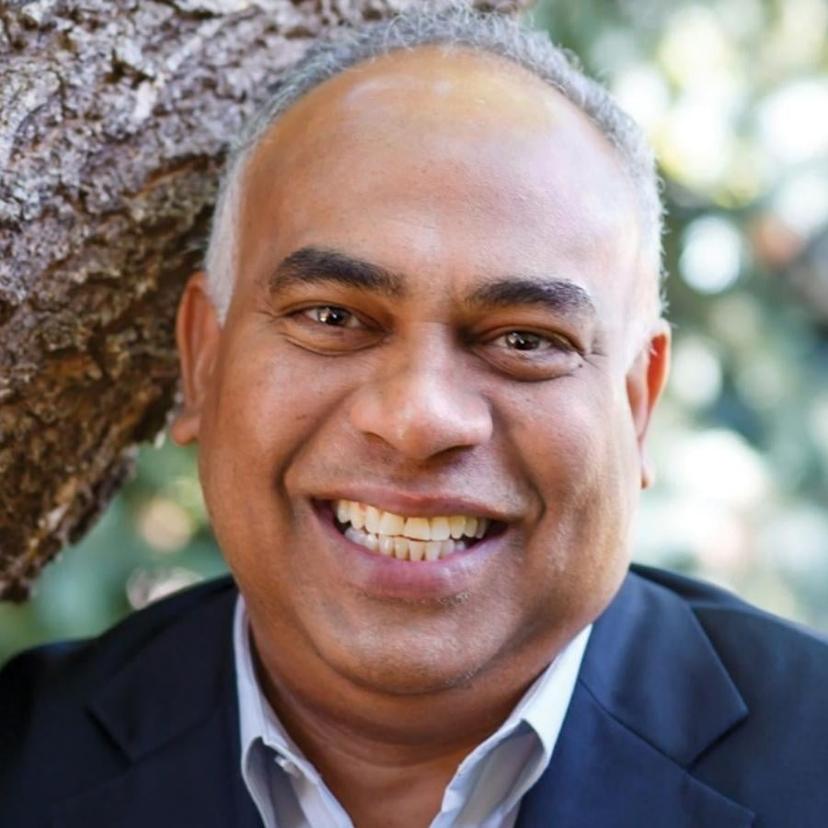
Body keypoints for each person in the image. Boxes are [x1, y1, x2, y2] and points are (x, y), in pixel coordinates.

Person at [1, 4, 826, 827]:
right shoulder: (23, 764)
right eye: (332, 317)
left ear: (637, 403)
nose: (418, 420)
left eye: (525, 339)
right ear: (202, 362)